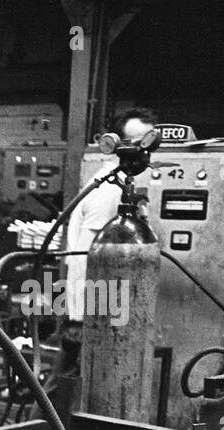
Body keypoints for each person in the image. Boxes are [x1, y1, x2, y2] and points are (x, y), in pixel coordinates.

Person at [63, 107, 157, 325]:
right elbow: (86, 254)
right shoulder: (109, 190)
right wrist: (93, 316)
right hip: (94, 312)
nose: (145, 150)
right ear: (117, 145)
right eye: (137, 142)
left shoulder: (119, 183)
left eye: (149, 142)